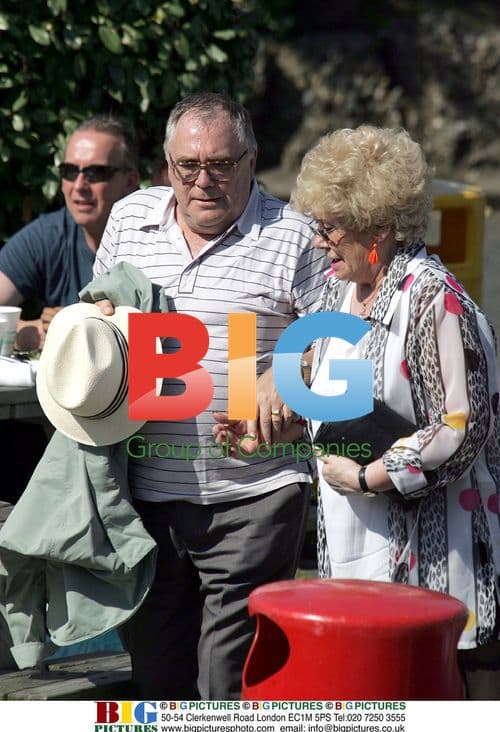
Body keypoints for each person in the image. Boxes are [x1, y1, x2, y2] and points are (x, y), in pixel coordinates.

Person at [219, 124, 500, 700]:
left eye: (330, 228)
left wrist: (373, 476)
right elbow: (347, 415)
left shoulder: (434, 299)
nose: (318, 242)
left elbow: (462, 427)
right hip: (358, 566)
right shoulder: (338, 294)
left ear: (379, 227)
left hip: (440, 577)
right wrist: (272, 432)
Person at [85, 92, 328, 699]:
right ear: (167, 165)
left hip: (255, 495)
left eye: (221, 164)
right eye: (188, 165)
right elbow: (99, 316)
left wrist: (290, 378)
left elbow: (342, 345)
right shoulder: (129, 220)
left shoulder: (294, 236)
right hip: (144, 494)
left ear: (252, 160)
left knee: (225, 683)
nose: (203, 180)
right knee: (155, 679)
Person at [0, 114, 140, 349]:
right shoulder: (46, 236)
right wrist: (37, 334)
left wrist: (75, 325)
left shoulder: (160, 241)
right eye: (69, 171)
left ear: (130, 180)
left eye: (96, 173)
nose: (79, 185)